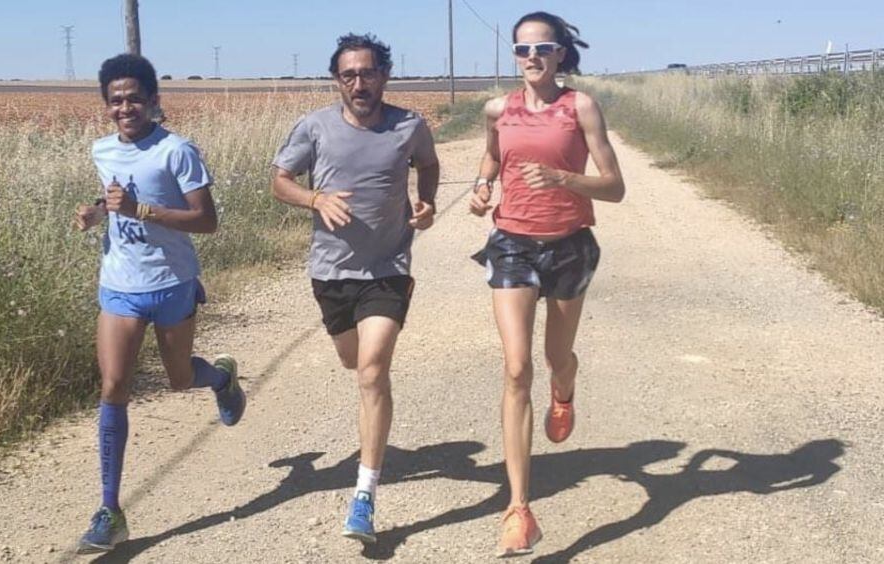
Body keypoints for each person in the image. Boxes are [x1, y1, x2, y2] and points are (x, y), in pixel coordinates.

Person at [71, 53, 246, 554]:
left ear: (153, 101)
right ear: (106, 105)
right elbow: (114, 201)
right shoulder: (101, 149)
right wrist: (95, 214)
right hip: (120, 282)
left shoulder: (178, 151)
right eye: (116, 100)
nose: (125, 107)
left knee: (179, 379)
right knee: (113, 384)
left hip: (171, 282)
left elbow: (206, 221)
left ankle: (222, 379)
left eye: (134, 98)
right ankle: (110, 509)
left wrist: (141, 210)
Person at [270, 33, 440, 544]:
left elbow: (428, 165)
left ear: (385, 75)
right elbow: (280, 180)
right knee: (352, 360)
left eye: (368, 73)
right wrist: (315, 198)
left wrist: (425, 202)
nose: (359, 83)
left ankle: (364, 495)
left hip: (387, 269)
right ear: (337, 80)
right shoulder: (316, 127)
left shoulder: (409, 126)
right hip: (332, 273)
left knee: (371, 370)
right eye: (349, 75)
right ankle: (368, 473)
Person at [468, 11, 625, 557]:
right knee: (516, 367)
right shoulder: (498, 109)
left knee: (558, 356)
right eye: (522, 49)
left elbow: (614, 186)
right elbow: (491, 155)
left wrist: (563, 178)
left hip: (569, 244)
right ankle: (519, 509)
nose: (531, 57)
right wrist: (482, 187)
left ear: (561, 55)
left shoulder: (579, 106)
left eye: (542, 48)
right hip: (511, 241)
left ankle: (565, 389)